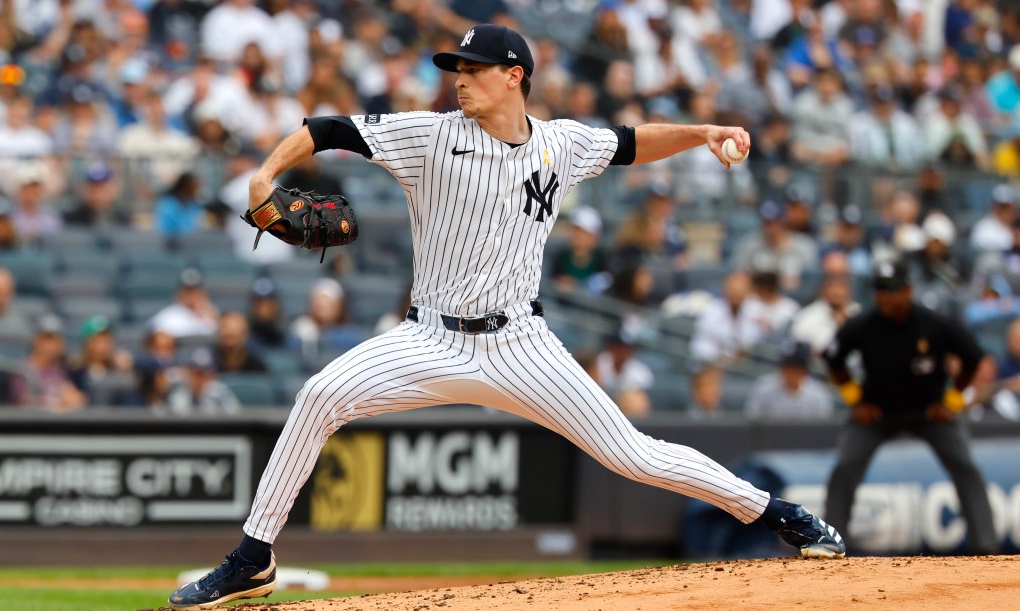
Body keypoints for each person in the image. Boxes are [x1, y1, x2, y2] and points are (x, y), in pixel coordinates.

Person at [168, 24, 845, 610]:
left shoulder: (561, 144)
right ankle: (253, 557)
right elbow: (328, 128)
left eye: (472, 70)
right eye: (455, 70)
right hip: (429, 337)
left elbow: (633, 141)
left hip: (521, 343)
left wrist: (702, 132)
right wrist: (266, 174)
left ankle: (778, 511)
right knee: (318, 395)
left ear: (514, 75)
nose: (459, 80)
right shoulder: (429, 135)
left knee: (633, 454)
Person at [822, 259, 999, 555]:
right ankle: (828, 544)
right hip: (877, 413)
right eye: (879, 290)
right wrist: (856, 400)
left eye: (890, 290)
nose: (883, 297)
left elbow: (972, 358)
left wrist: (952, 402)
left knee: (966, 466)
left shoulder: (934, 324)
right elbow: (833, 360)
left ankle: (986, 547)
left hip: (930, 412)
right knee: (845, 466)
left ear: (907, 290)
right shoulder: (863, 325)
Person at [745, 340, 833, 419]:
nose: (787, 372)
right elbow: (752, 426)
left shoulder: (818, 395)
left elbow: (824, 431)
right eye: (785, 367)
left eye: (793, 368)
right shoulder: (764, 388)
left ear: (804, 370)